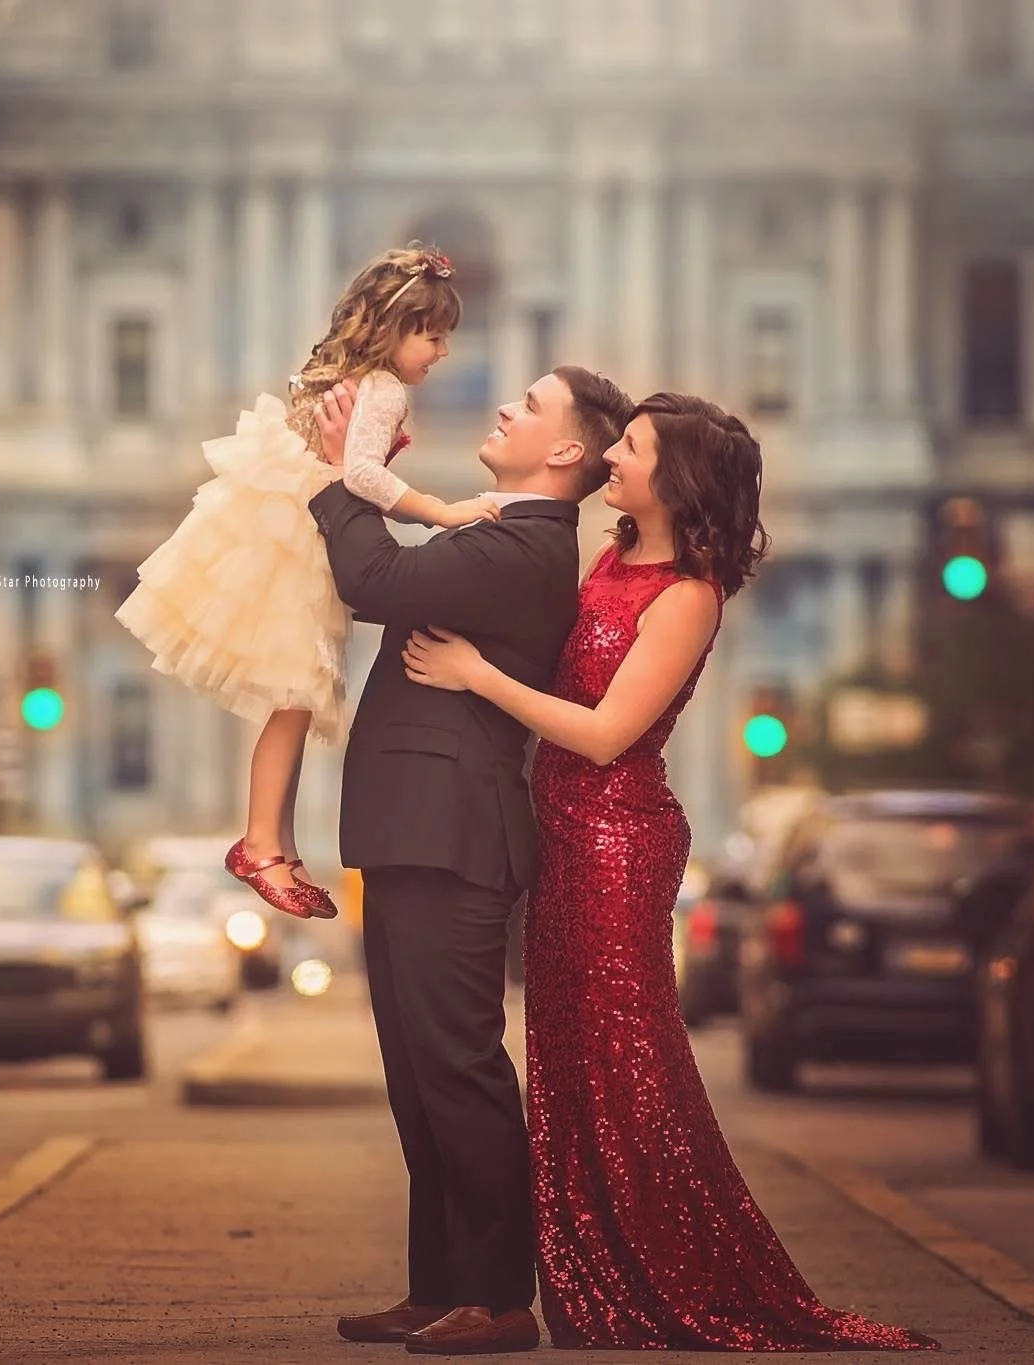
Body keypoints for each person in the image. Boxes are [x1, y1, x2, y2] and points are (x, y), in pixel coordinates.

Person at [401, 393, 937, 1352]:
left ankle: (669, 1272)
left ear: (677, 478)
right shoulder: (609, 558)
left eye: (633, 447)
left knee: (630, 1064)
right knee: (570, 1063)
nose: (612, 454)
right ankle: (589, 1275)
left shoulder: (688, 595)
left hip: (617, 839)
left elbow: (609, 736)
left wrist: (477, 675)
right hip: (563, 837)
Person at [308, 366, 637, 1356]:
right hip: (416, 830)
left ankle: (496, 1300)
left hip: (453, 839)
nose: (504, 408)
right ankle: (437, 1287)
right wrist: (369, 482)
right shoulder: (499, 531)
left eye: (529, 406)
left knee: (458, 1069)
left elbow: (375, 582)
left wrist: (340, 473)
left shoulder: (525, 545)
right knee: (417, 1076)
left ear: (567, 451)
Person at [116, 244, 498, 920]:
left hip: (285, 533)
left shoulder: (350, 376)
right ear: (397, 327)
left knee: (292, 699)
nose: (442, 352)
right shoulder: (382, 389)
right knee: (293, 698)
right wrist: (443, 510)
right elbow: (363, 478)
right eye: (433, 335)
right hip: (300, 543)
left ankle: (278, 846)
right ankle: (262, 844)